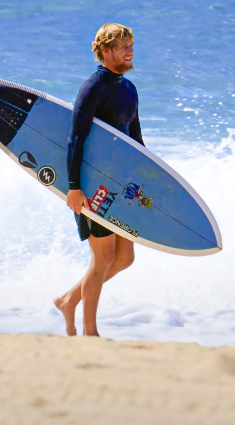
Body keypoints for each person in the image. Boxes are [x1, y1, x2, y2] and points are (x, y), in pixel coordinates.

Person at [53, 23, 142, 337]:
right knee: (102, 258)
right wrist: (74, 187)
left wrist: (146, 181)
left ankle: (68, 300)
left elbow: (136, 140)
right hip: (93, 186)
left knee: (125, 258)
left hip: (120, 184)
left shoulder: (128, 89)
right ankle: (89, 332)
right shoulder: (93, 87)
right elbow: (76, 139)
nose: (130, 52)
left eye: (131, 46)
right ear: (106, 50)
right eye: (124, 47)